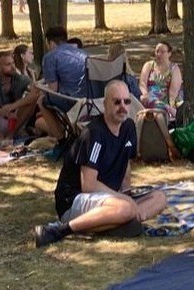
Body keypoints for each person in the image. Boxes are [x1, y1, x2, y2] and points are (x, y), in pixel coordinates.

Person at [33, 80, 168, 247]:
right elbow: (88, 185)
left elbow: (125, 163)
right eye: (116, 102)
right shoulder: (94, 134)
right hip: (74, 199)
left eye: (127, 102)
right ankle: (61, 230)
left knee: (159, 197)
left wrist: (125, 192)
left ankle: (120, 220)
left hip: (107, 197)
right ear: (105, 104)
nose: (123, 107)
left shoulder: (129, 128)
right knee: (127, 208)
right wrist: (122, 199)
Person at [36, 25, 88, 138]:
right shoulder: (83, 53)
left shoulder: (50, 57)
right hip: (89, 100)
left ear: (50, 42)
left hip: (71, 100)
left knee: (41, 100)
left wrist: (40, 87)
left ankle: (59, 135)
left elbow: (53, 89)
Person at [139, 42, 182, 121]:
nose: (158, 54)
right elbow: (142, 83)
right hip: (149, 97)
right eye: (157, 51)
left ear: (169, 54)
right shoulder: (149, 65)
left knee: (163, 109)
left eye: (162, 52)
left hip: (167, 99)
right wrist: (145, 94)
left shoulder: (174, 69)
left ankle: (169, 112)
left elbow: (173, 92)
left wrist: (170, 105)